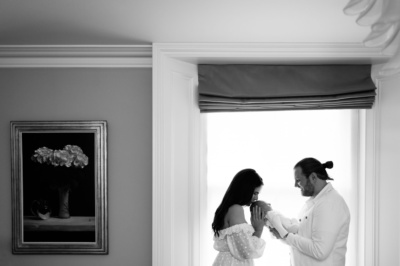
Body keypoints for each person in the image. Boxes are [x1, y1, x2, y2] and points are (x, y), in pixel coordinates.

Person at [268, 157, 351, 266]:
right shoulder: (315, 202)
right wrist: (281, 235)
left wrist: (286, 235)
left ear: (313, 177)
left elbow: (319, 251)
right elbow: (302, 238)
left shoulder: (328, 203)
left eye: (298, 180)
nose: (295, 185)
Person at [212, 168, 267, 266]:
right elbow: (245, 251)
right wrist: (258, 230)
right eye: (255, 193)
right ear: (245, 189)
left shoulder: (228, 208)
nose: (256, 198)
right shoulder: (236, 209)